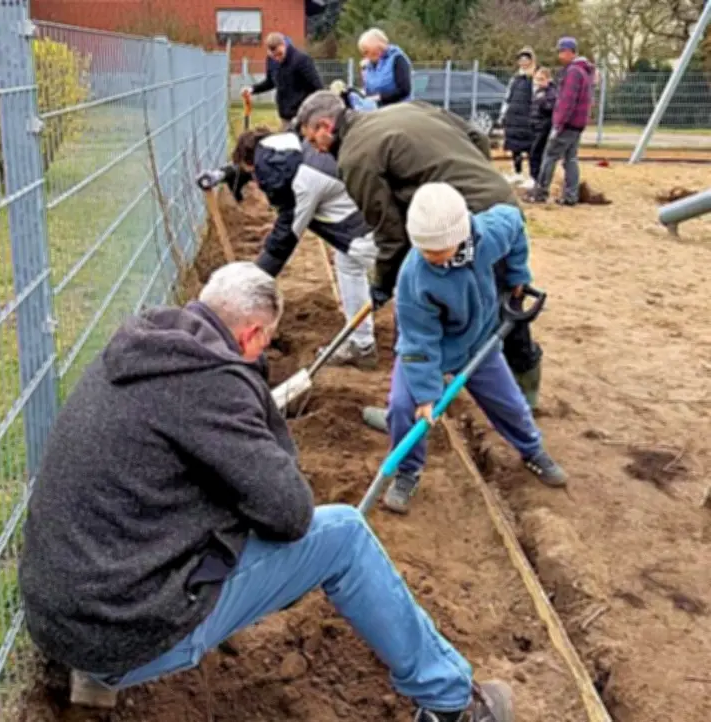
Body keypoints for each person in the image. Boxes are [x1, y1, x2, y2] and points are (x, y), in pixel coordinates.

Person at [19, 261, 515, 722]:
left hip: (63, 616)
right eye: (265, 344)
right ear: (251, 333)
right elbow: (291, 515)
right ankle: (453, 704)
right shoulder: (211, 385)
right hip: (120, 633)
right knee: (343, 533)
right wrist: (249, 395)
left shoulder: (142, 350)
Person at [295, 91, 545, 411]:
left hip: (458, 223)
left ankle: (408, 405)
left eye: (311, 137)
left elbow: (390, 233)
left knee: (415, 309)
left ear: (325, 126)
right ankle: (527, 390)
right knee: (507, 300)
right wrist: (472, 178)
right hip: (501, 203)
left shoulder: (354, 158)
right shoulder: (404, 109)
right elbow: (476, 137)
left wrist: (382, 284)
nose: (314, 148)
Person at [381, 183, 566, 512]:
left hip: (479, 342)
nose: (432, 258)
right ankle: (407, 472)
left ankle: (532, 450)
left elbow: (514, 220)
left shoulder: (488, 236)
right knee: (402, 408)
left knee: (511, 405)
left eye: (440, 251)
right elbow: (418, 340)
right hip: (429, 352)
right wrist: (425, 395)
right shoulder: (414, 276)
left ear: (461, 234)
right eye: (425, 250)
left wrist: (518, 274)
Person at [197, 129, 379, 368]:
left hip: (371, 232)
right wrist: (230, 173)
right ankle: (362, 344)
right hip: (365, 218)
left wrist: (247, 286)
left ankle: (421, 357)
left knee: (407, 283)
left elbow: (283, 241)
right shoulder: (291, 151)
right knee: (350, 263)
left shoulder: (299, 185)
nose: (258, 183)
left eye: (256, 176)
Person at [526, 37, 595, 206]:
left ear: (570, 52)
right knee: (570, 159)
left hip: (567, 124)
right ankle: (571, 196)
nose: (559, 55)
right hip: (577, 124)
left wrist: (558, 124)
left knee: (549, 156)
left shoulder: (573, 72)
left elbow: (566, 101)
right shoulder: (584, 71)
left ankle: (540, 193)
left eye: (561, 51)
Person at [242, 32, 323, 131]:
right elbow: (270, 82)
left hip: (303, 117)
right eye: (274, 56)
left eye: (279, 54)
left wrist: (310, 111)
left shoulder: (302, 60)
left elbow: (317, 87)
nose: (277, 58)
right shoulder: (271, 61)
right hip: (285, 116)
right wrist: (252, 89)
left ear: (284, 45)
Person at [500, 47, 536, 184]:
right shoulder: (514, 78)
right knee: (515, 148)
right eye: (521, 59)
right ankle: (517, 172)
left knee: (531, 149)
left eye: (526, 59)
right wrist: (503, 114)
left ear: (531, 60)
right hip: (513, 118)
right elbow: (507, 97)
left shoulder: (534, 77)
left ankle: (533, 177)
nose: (523, 62)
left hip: (528, 119)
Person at [358, 28, 413, 107]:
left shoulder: (397, 59)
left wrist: (379, 98)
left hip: (399, 109)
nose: (365, 55)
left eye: (366, 51)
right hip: (376, 110)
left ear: (377, 47)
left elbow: (404, 90)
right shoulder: (367, 66)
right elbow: (368, 92)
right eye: (363, 52)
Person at [529, 67, 557, 183]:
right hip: (535, 126)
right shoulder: (538, 92)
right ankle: (535, 178)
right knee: (534, 153)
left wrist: (542, 101)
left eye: (541, 79)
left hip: (544, 127)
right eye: (536, 79)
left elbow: (550, 108)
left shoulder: (551, 92)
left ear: (548, 79)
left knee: (537, 153)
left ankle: (537, 179)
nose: (538, 82)